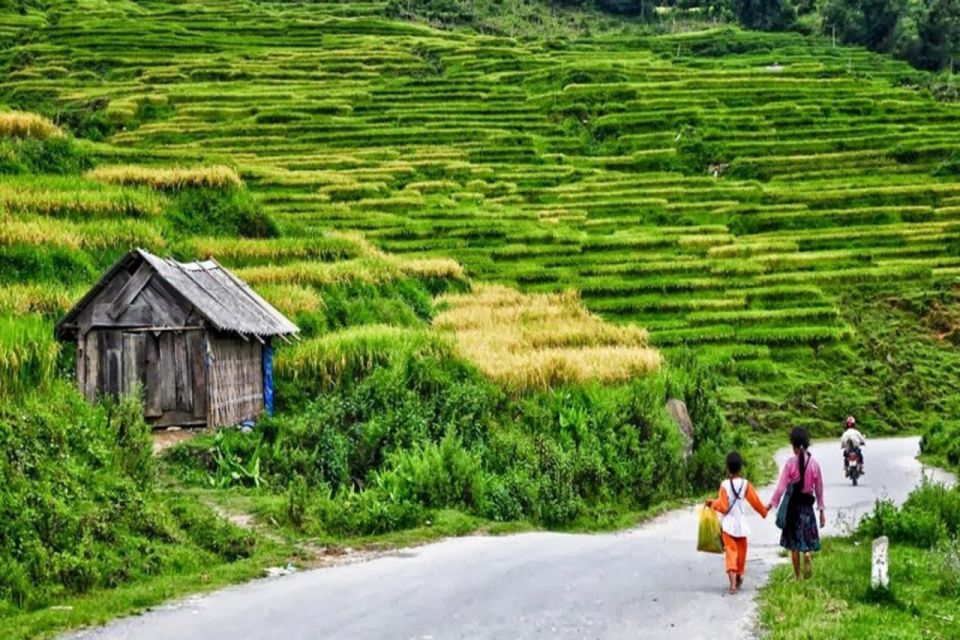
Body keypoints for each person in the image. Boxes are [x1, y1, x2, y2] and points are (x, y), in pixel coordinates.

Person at [706, 451, 768, 594]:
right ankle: (739, 576)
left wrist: (712, 503)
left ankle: (732, 582)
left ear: (727, 468)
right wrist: (763, 512)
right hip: (742, 526)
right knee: (741, 553)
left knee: (730, 552)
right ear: (741, 468)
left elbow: (723, 506)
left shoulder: (724, 485)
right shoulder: (746, 485)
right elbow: (755, 502)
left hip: (728, 526)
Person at [767, 427, 825, 580]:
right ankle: (806, 553)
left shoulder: (790, 464)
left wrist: (771, 504)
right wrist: (821, 511)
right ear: (807, 444)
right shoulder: (814, 464)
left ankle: (798, 576)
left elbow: (781, 487)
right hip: (807, 507)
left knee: (794, 544)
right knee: (805, 537)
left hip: (793, 508)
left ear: (793, 446)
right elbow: (819, 489)